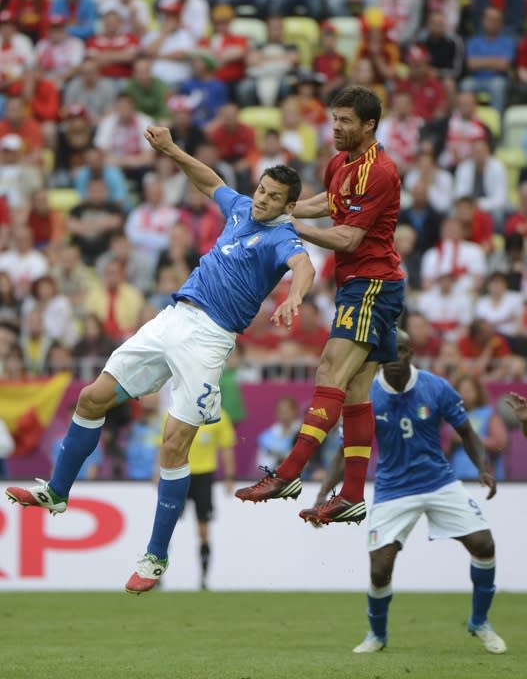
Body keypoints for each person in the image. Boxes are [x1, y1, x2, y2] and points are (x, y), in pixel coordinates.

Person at [6, 125, 315, 594]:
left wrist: (294, 297)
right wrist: (171, 149)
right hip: (172, 317)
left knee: (173, 444)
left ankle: (155, 556)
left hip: (210, 338)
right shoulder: (239, 208)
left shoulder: (282, 237)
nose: (262, 200)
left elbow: (305, 266)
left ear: (289, 207)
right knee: (92, 398)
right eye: (262, 191)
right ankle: (57, 491)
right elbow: (208, 179)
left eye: (273, 198)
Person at [236, 86, 405, 524]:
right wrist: (284, 211)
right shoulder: (339, 164)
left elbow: (348, 237)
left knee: (330, 370)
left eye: (346, 121)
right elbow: (323, 204)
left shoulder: (380, 172)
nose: (336, 127)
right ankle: (350, 496)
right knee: (355, 391)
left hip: (372, 284)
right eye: (334, 119)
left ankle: (289, 473)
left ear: (369, 125)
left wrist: (290, 224)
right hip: (363, 283)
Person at [308, 330, 507, 655]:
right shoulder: (366, 394)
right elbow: (347, 449)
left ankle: (480, 621)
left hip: (438, 482)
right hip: (393, 489)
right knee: (379, 569)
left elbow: (466, 431)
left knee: (484, 544)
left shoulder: (435, 386)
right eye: (390, 352)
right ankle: (377, 635)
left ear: (411, 353)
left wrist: (483, 467)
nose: (395, 358)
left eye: (401, 351)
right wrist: (322, 496)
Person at [187, 409, 236, 590]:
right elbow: (165, 443)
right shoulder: (176, 411)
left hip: (204, 476)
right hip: (179, 472)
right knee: (167, 524)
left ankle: (204, 577)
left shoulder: (220, 416)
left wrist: (230, 476)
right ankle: (158, 573)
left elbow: (226, 448)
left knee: (203, 530)